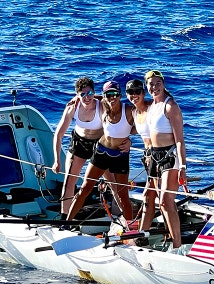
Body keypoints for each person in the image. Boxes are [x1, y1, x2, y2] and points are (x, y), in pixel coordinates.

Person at [67, 81, 135, 221]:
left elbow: (143, 125)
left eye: (116, 94)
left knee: (123, 195)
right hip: (101, 152)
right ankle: (66, 223)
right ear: (104, 96)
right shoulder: (103, 105)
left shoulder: (128, 110)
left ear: (120, 95)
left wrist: (130, 141)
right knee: (85, 188)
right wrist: (76, 98)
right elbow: (92, 97)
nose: (113, 98)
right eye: (109, 94)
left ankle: (131, 230)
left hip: (120, 156)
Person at [52, 76, 113, 219]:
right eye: (83, 94)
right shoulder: (72, 108)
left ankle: (118, 215)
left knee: (112, 180)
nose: (87, 97)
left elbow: (111, 128)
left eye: (90, 93)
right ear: (77, 95)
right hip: (79, 144)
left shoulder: (101, 106)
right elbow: (58, 135)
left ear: (94, 92)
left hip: (98, 144)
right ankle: (65, 218)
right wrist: (56, 160)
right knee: (69, 181)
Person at [144, 70, 187, 249]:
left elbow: (179, 140)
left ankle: (178, 246)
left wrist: (183, 166)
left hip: (170, 157)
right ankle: (170, 237)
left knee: (165, 201)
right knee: (159, 202)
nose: (154, 87)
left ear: (163, 84)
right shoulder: (152, 106)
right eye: (151, 84)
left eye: (157, 83)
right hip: (154, 156)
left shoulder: (170, 107)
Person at [125, 79, 157, 232]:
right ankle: (143, 233)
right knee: (150, 196)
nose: (134, 95)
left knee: (152, 196)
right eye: (131, 92)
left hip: (161, 156)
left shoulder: (153, 106)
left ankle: (143, 233)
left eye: (138, 91)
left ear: (144, 93)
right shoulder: (133, 112)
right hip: (148, 157)